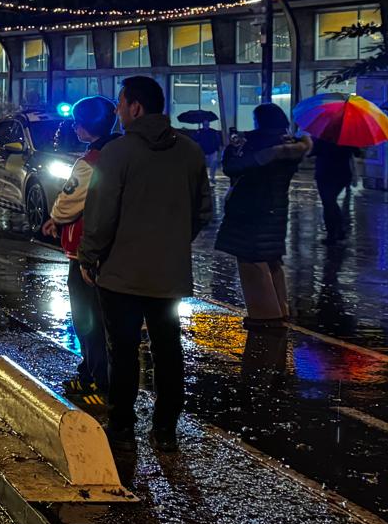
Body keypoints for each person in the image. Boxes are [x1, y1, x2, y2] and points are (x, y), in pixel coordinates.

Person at [78, 75, 212, 453]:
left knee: (123, 352)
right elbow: (203, 210)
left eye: (121, 104)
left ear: (135, 107)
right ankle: (166, 429)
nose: (118, 112)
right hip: (169, 274)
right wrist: (172, 243)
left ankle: (121, 427)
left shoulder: (118, 153)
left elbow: (100, 215)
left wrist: (90, 256)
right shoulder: (189, 151)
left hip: (120, 275)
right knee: (168, 349)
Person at [42, 95, 118, 404]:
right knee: (108, 321)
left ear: (87, 126)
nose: (74, 128)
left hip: (86, 252)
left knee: (87, 320)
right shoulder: (122, 153)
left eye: (78, 123)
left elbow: (68, 202)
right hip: (115, 250)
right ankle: (97, 377)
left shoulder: (90, 162)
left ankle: (95, 381)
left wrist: (55, 218)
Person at [215, 104, 312, 321]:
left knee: (252, 261)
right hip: (276, 209)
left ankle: (265, 317)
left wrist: (236, 147)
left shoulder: (256, 144)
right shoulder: (292, 146)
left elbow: (233, 167)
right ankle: (280, 309)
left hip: (249, 210)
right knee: (272, 260)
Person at [312, 136, 360, 243]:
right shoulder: (348, 137)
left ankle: (333, 233)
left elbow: (313, 151)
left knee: (328, 202)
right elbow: (357, 152)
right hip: (341, 174)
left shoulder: (322, 136)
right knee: (330, 202)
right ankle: (338, 230)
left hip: (325, 173)